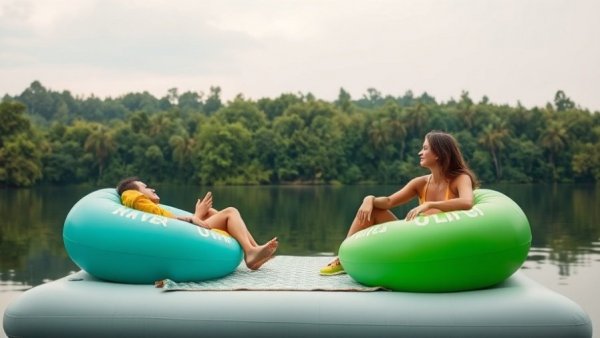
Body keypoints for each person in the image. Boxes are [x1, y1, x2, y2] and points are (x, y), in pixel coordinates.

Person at [320, 131, 479, 276]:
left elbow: (467, 202)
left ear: (438, 153)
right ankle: (343, 259)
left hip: (438, 244)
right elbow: (389, 202)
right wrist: (369, 199)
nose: (420, 153)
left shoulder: (460, 178)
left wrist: (429, 205)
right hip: (413, 239)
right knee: (374, 210)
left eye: (425, 148)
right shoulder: (420, 183)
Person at [116, 177, 278, 270]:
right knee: (230, 212)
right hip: (183, 233)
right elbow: (167, 224)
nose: (152, 189)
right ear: (136, 193)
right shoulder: (137, 200)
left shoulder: (151, 206)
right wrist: (195, 216)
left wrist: (199, 214)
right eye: (146, 187)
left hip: (184, 228)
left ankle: (255, 251)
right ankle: (250, 252)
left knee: (211, 212)